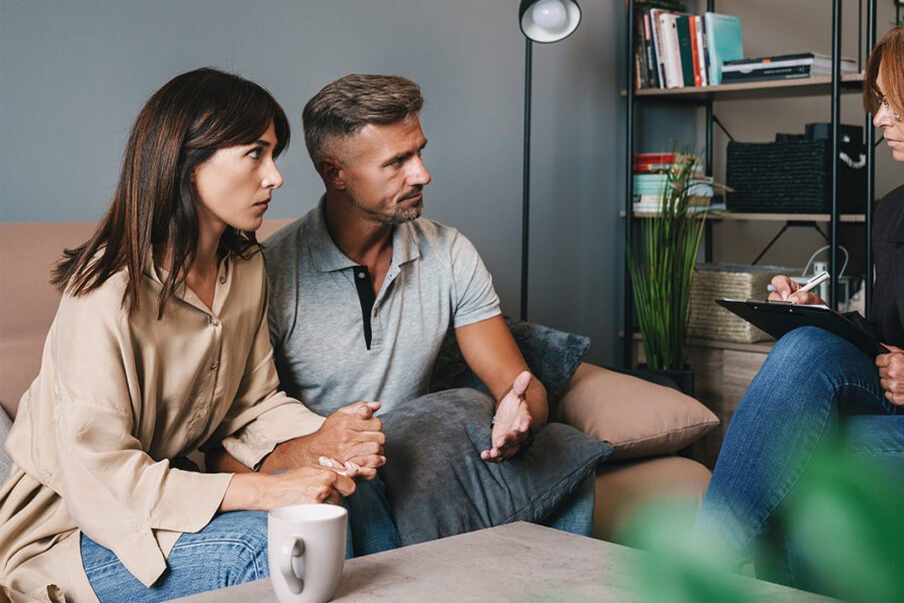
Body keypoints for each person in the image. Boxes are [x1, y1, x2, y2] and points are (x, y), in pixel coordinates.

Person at [0, 68, 390, 602]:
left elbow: (252, 404)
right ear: (187, 163)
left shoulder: (245, 267)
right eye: (255, 153)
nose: (275, 177)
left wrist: (327, 439)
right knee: (268, 545)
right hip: (73, 531)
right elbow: (101, 476)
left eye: (273, 155)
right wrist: (261, 491)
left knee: (355, 501)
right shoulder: (105, 293)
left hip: (172, 501)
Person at [690, 16, 904, 588]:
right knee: (805, 344)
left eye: (896, 104)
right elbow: (896, 335)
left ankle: (699, 580)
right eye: (879, 102)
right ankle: (704, 566)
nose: (879, 119)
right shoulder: (897, 208)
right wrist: (825, 322)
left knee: (809, 466)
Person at [210, 73, 594, 535]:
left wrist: (522, 413)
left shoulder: (449, 252)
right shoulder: (270, 274)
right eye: (397, 162)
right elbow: (233, 441)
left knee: (566, 454)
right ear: (336, 173)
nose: (422, 174)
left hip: (426, 462)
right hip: (340, 473)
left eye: (419, 151)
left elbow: (517, 384)